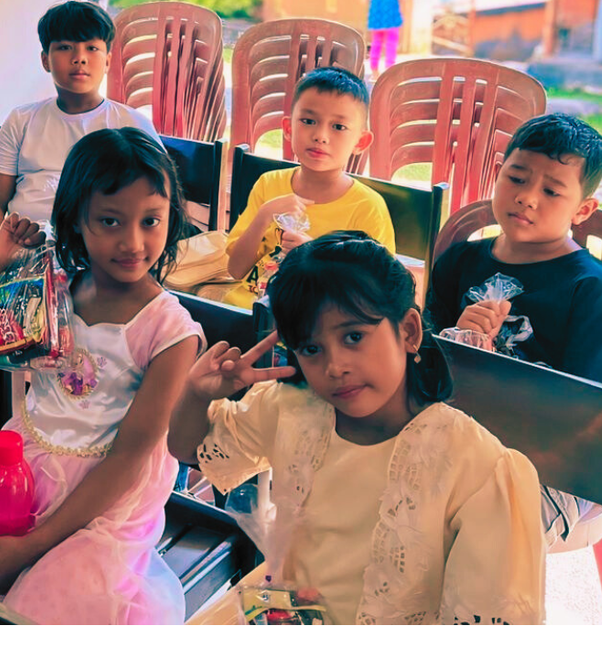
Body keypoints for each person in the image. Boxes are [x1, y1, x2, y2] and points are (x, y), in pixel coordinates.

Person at [0, 128, 203, 624]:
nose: (133, 242)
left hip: (104, 506)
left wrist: (29, 547)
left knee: (35, 612)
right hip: (21, 472)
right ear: (77, 219)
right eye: (110, 221)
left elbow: (129, 460)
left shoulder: (170, 333)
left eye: (151, 221)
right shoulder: (52, 294)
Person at [169, 231, 546, 625]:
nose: (335, 367)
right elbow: (188, 449)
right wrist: (196, 394)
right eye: (312, 348)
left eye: (353, 337)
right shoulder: (294, 407)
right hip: (283, 611)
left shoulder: (476, 464)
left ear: (409, 331)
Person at [427, 113, 602, 546]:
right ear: (497, 174)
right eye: (516, 178)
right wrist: (454, 339)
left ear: (583, 210)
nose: (526, 197)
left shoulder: (591, 291)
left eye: (551, 191)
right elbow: (419, 365)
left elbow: (598, 414)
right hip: (456, 437)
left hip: (555, 467)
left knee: (468, 534)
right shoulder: (459, 262)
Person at [0, 0, 159, 240]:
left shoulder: (132, 124)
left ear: (107, 61)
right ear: (45, 60)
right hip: (23, 249)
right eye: (64, 47)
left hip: (102, 249)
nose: (79, 58)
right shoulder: (22, 120)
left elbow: (159, 202)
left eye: (91, 48)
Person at [223, 65, 394, 304]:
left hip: (311, 320)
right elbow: (236, 270)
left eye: (338, 127)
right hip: (244, 310)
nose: (320, 136)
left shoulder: (367, 207)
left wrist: (314, 258)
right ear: (288, 128)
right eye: (308, 121)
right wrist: (264, 215)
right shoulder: (269, 184)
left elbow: (377, 291)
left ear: (360, 141)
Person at [363, 0, 405, 76]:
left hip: (376, 18)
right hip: (392, 18)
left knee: (376, 43)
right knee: (391, 44)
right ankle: (389, 70)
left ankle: (374, 70)